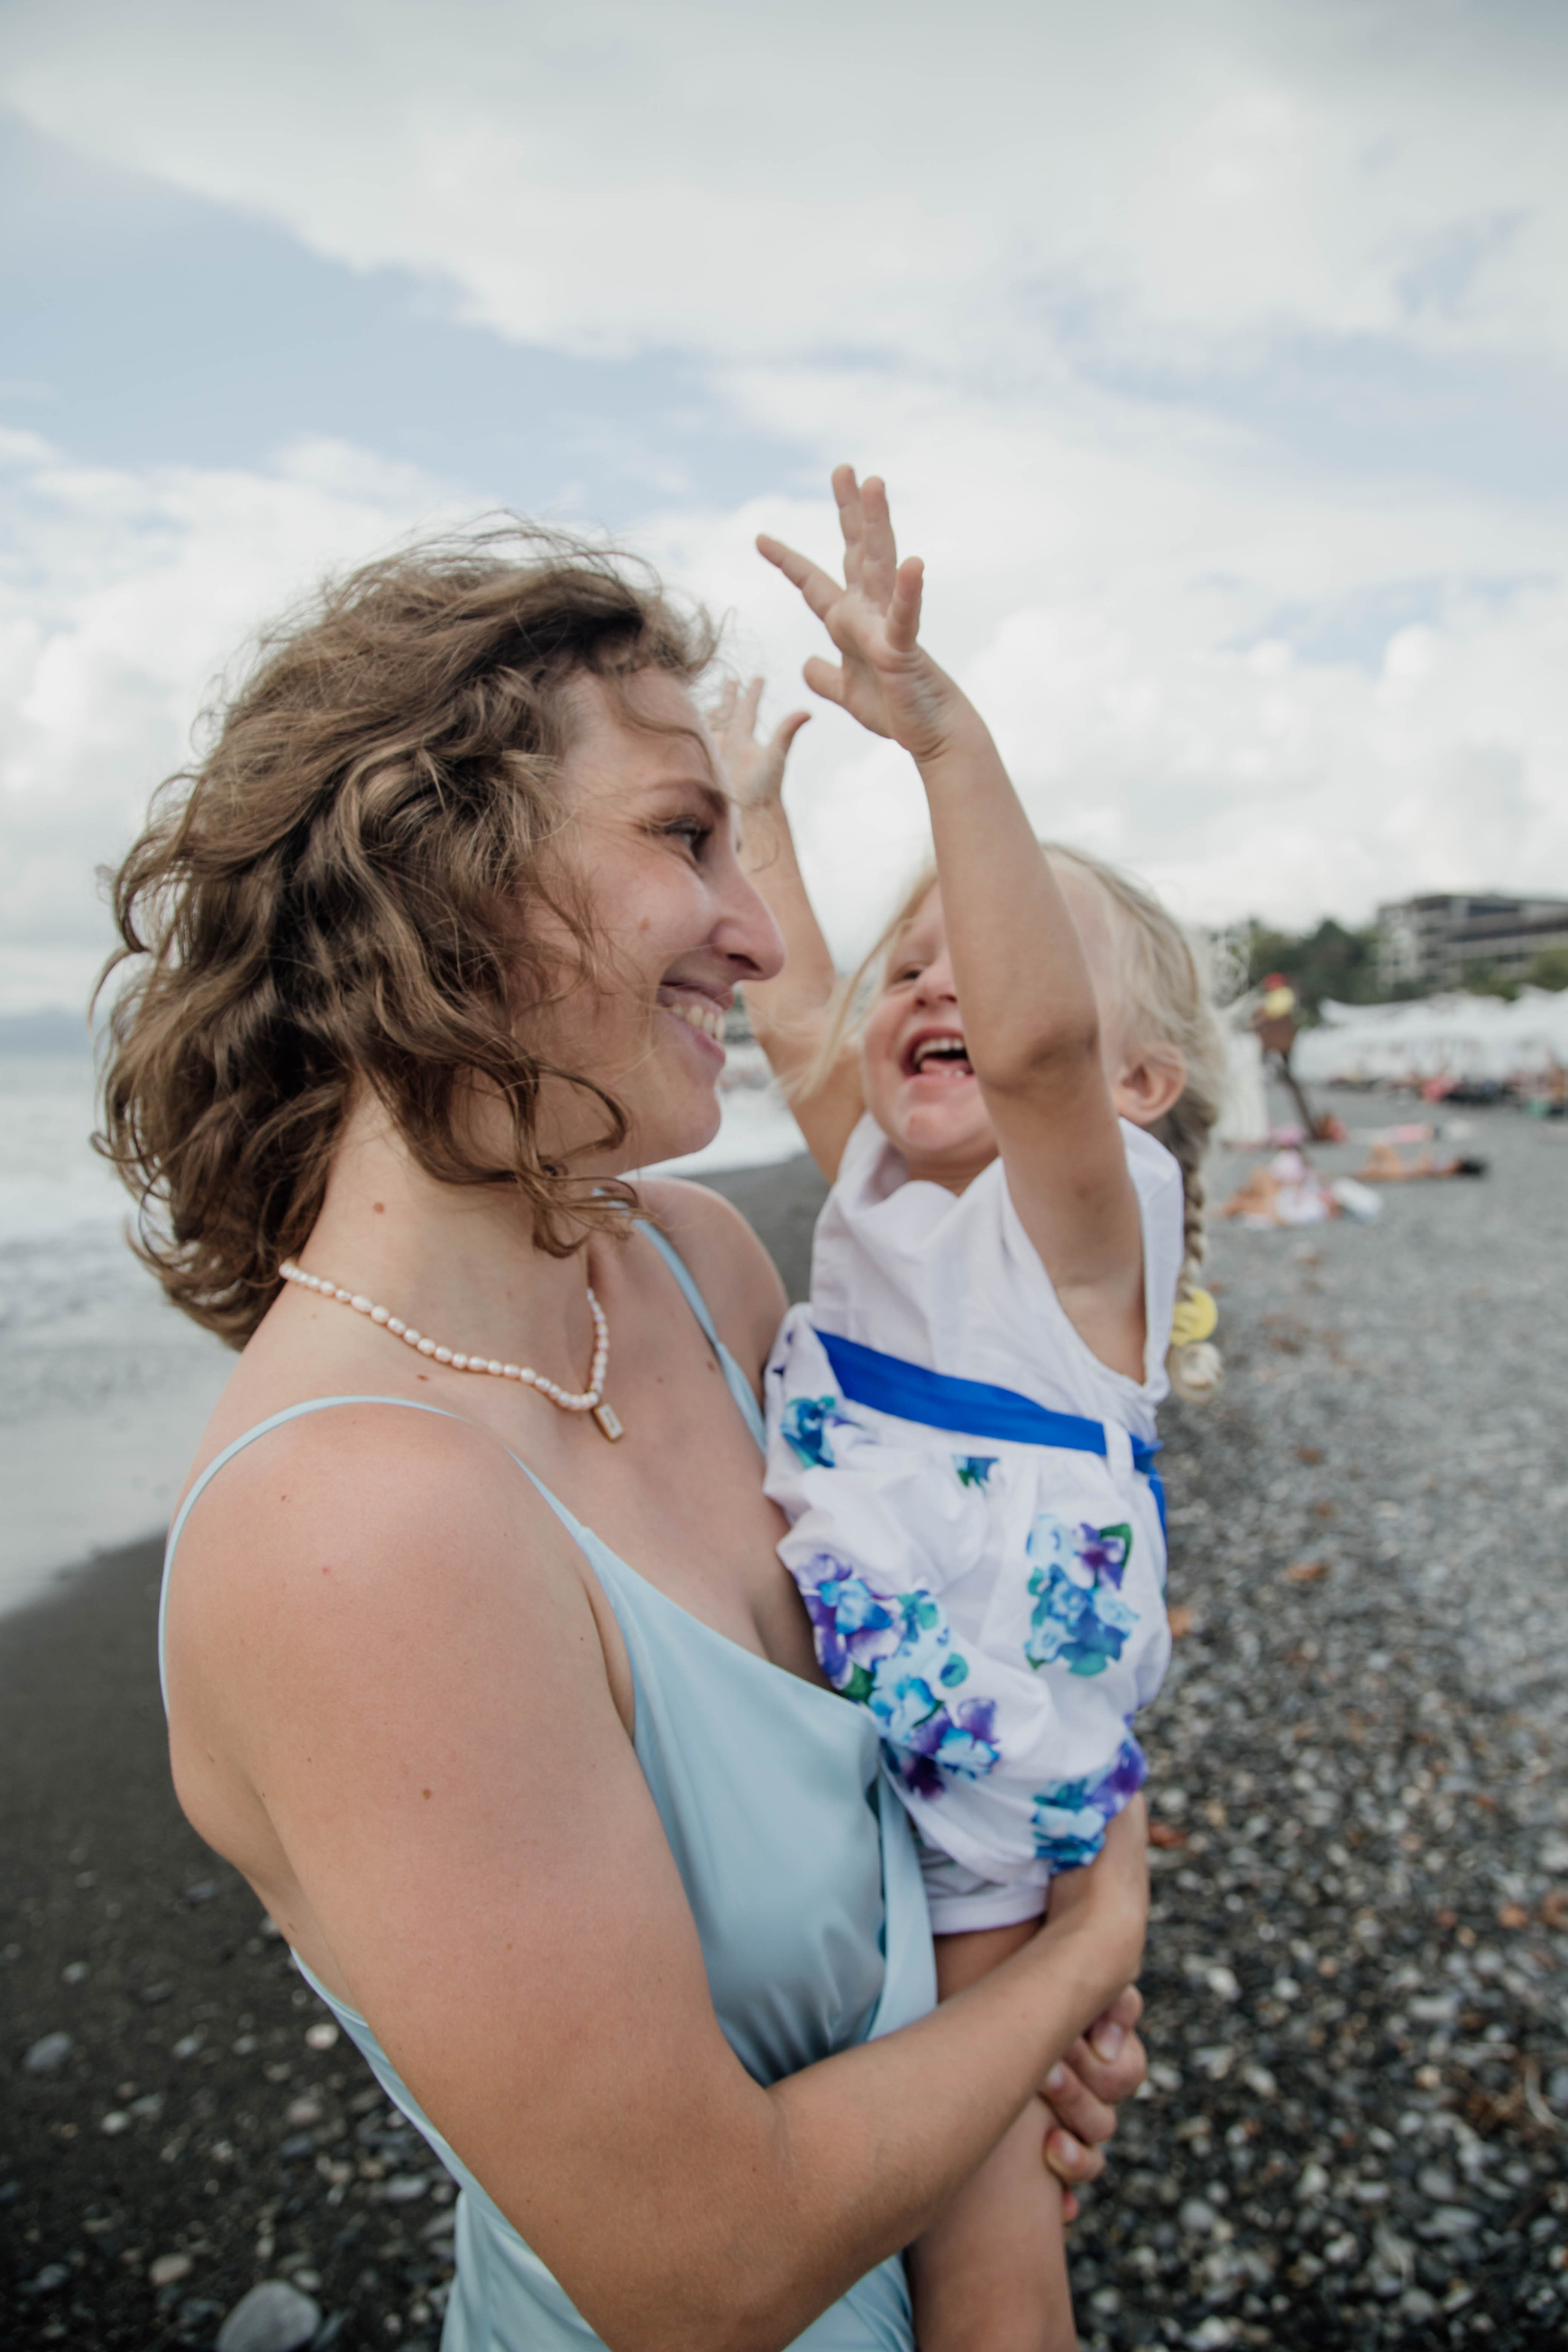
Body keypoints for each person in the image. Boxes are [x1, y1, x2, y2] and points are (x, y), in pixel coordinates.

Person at [99, 521, 1150, 2352]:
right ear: (442, 876)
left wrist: (1000, 2053)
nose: (754, 932)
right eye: (684, 835)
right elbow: (703, 2270)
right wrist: (1082, 1967)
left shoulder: (699, 1269)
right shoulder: (350, 1531)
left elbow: (932, 1768)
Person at [715, 469, 1225, 2350]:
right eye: (909, 953)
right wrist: (762, 816)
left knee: (989, 2230)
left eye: (982, 948)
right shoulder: (880, 1185)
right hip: (861, 1744)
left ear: (1140, 1074)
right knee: (882, 2141)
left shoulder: (1084, 1231)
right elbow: (799, 1023)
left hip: (993, 1782)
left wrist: (945, 741)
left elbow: (1029, 1049)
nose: (933, 977)